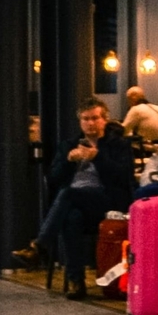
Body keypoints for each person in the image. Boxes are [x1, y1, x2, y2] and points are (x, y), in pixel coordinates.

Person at [13, 98, 136, 299]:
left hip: (107, 202)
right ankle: (76, 282)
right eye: (86, 119)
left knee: (68, 194)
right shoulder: (69, 145)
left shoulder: (119, 145)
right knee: (71, 217)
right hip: (77, 203)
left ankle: (40, 245)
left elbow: (124, 176)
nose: (90, 123)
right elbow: (53, 179)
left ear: (104, 120)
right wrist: (68, 162)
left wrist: (97, 158)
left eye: (95, 118)